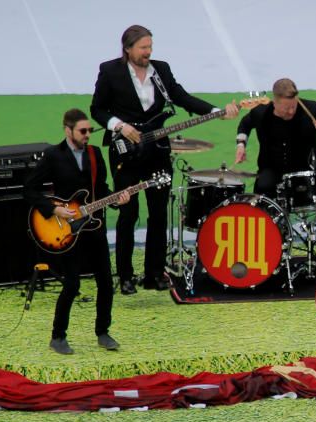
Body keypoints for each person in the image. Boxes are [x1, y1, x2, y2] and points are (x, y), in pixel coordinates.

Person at [91, 24, 238, 295]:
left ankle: (154, 273)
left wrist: (216, 111)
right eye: (143, 47)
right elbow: (97, 109)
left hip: (157, 147)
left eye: (150, 47)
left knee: (158, 213)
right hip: (126, 147)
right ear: (128, 48)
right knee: (128, 211)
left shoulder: (161, 69)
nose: (148, 52)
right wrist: (120, 126)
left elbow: (181, 97)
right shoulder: (110, 70)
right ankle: (124, 275)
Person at [25, 109, 131, 355]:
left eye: (90, 130)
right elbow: (29, 189)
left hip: (94, 228)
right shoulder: (53, 155)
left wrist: (118, 200)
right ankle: (58, 336)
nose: (87, 135)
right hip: (67, 231)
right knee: (72, 284)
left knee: (105, 281)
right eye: (83, 131)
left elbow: (102, 189)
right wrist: (53, 209)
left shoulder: (95, 154)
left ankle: (103, 332)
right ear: (68, 130)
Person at [235, 77, 316, 197]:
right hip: (271, 169)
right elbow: (244, 124)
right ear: (275, 102)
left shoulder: (312, 108)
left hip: (308, 167)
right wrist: (241, 145)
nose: (291, 111)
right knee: (261, 199)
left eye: (294, 106)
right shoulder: (260, 112)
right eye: (286, 108)